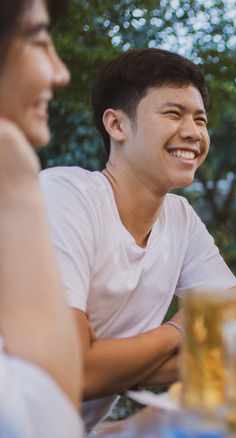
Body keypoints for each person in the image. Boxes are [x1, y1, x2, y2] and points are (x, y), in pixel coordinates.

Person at [39, 48, 236, 431]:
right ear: (117, 125)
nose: (194, 132)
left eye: (200, 119)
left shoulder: (180, 217)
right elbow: (73, 372)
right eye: (173, 113)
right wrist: (182, 327)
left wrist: (105, 363)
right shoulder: (65, 196)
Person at [0, 0, 83, 436]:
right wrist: (17, 186)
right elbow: (49, 424)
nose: (60, 72)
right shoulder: (63, 191)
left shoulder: (180, 214)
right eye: (39, 41)